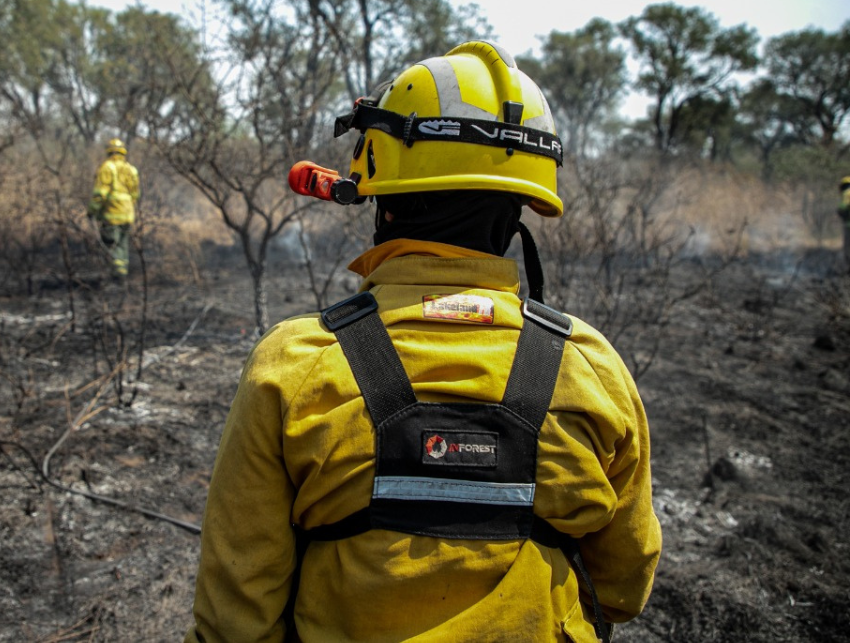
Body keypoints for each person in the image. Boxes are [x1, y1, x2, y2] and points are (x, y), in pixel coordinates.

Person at [186, 41, 661, 643]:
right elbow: (624, 586)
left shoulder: (294, 367)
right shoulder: (591, 367)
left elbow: (235, 618)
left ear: (381, 201)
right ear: (518, 209)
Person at [87, 137, 140, 278]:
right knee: (123, 245)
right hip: (128, 214)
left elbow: (100, 194)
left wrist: (92, 210)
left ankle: (116, 276)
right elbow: (135, 195)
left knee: (111, 245)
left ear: (109, 152)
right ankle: (123, 274)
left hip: (112, 213)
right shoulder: (131, 169)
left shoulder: (107, 167)